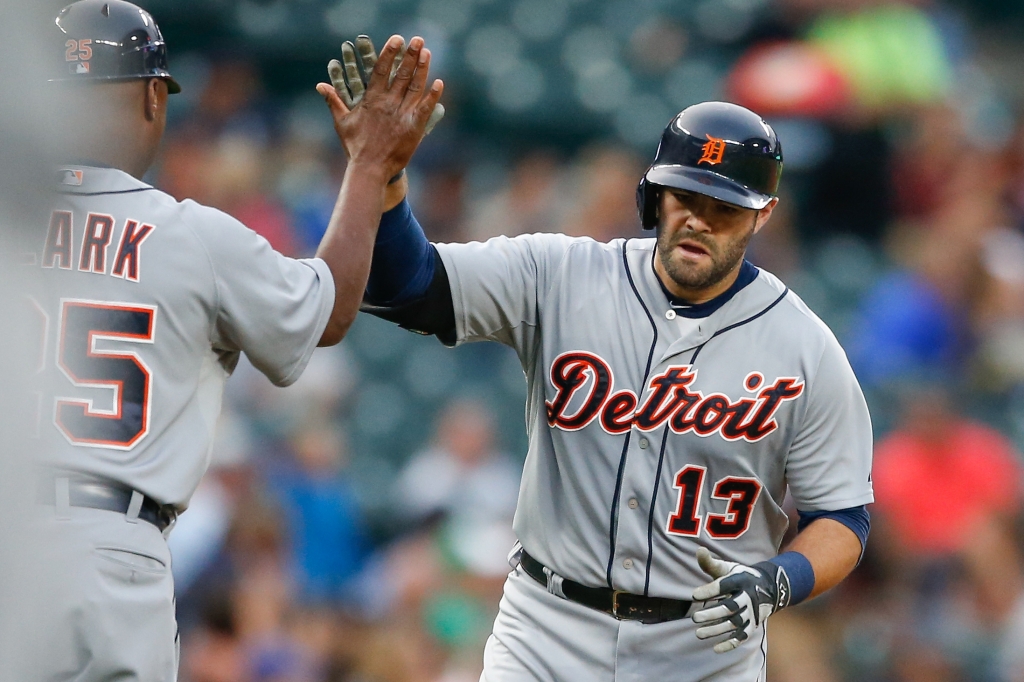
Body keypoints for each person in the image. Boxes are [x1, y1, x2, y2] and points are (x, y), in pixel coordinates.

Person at [324, 60, 873, 678]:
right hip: (546, 630)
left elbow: (843, 518)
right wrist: (385, 174)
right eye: (684, 196)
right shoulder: (559, 275)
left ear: (761, 215)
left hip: (700, 651)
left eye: (724, 206)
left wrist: (778, 579)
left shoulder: (805, 348)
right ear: (653, 195)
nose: (698, 218)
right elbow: (408, 284)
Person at [22, 2, 442, 680]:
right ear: (154, 97)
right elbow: (326, 312)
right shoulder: (193, 235)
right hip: (110, 550)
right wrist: (369, 167)